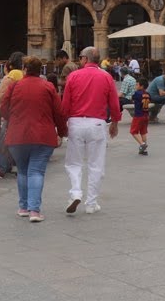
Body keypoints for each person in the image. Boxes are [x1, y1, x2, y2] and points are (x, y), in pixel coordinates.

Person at [1, 58, 67, 222]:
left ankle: (23, 207)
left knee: (22, 171)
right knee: (36, 171)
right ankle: (34, 211)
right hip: (42, 135)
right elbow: (58, 112)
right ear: (41, 70)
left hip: (17, 135)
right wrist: (62, 131)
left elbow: (3, 108)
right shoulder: (48, 87)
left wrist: (14, 119)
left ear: (24, 69)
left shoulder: (14, 86)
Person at [60, 46, 121, 215]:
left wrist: (63, 123)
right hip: (97, 123)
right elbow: (114, 104)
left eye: (80, 57)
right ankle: (91, 203)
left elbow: (65, 104)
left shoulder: (73, 76)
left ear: (85, 59)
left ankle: (75, 193)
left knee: (74, 162)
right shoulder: (106, 77)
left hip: (76, 122)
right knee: (96, 164)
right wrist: (115, 122)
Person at [0, 53, 26, 174]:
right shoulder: (24, 74)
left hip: (11, 112)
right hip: (22, 112)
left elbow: (3, 94)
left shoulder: (12, 75)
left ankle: (2, 167)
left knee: (2, 140)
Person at [130, 77, 151, 155]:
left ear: (141, 86)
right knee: (143, 131)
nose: (136, 86)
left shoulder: (137, 93)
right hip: (146, 115)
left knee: (133, 131)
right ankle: (144, 150)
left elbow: (131, 98)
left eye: (137, 84)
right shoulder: (148, 94)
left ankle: (142, 144)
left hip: (138, 115)